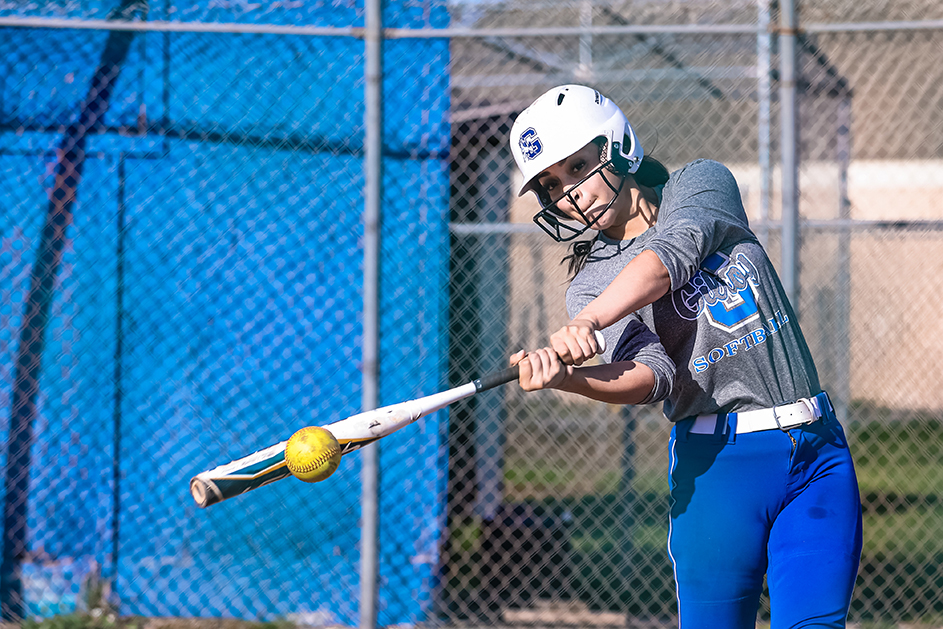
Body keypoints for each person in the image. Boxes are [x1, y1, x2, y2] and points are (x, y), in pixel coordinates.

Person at [507, 84, 862, 628]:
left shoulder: (699, 182)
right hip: (719, 469)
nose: (569, 194)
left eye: (577, 167)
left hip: (817, 452)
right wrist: (567, 379)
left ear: (619, 147)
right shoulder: (589, 285)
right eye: (551, 185)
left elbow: (672, 252)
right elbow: (654, 377)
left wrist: (589, 323)